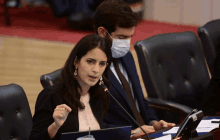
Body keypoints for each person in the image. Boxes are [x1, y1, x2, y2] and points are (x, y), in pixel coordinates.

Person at [93, 0, 176, 138]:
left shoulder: (126, 56)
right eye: (121, 37)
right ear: (102, 32)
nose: (127, 43)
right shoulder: (88, 69)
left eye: (130, 37)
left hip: (147, 133)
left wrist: (153, 122)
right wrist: (130, 133)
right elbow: (91, 125)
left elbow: (138, 99)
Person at [29, 34, 112, 140]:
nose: (96, 70)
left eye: (102, 64)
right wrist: (55, 126)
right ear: (76, 61)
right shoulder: (51, 96)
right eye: (90, 61)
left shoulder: (100, 94)